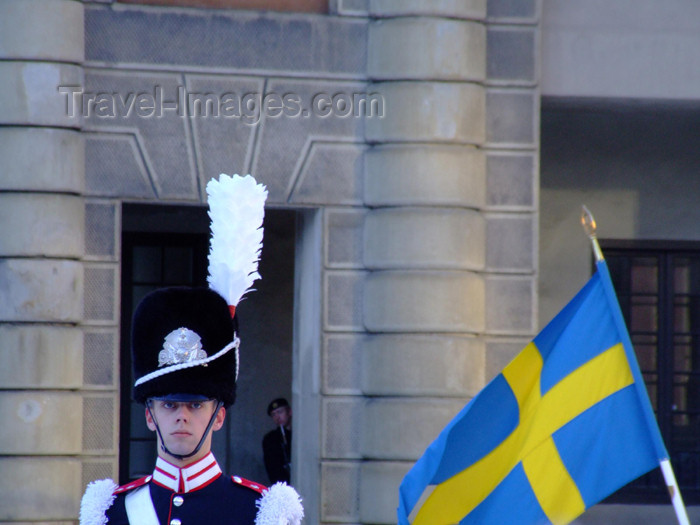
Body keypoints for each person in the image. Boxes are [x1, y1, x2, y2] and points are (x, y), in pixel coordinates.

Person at [79, 287, 303, 525]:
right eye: (168, 405)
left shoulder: (258, 512)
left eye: (196, 405)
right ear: (149, 416)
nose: (181, 416)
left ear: (218, 417)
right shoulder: (111, 513)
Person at [262, 398, 293, 484]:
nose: (277, 417)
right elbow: (273, 468)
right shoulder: (270, 439)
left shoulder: (298, 435)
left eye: (280, 412)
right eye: (273, 415)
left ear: (289, 412)